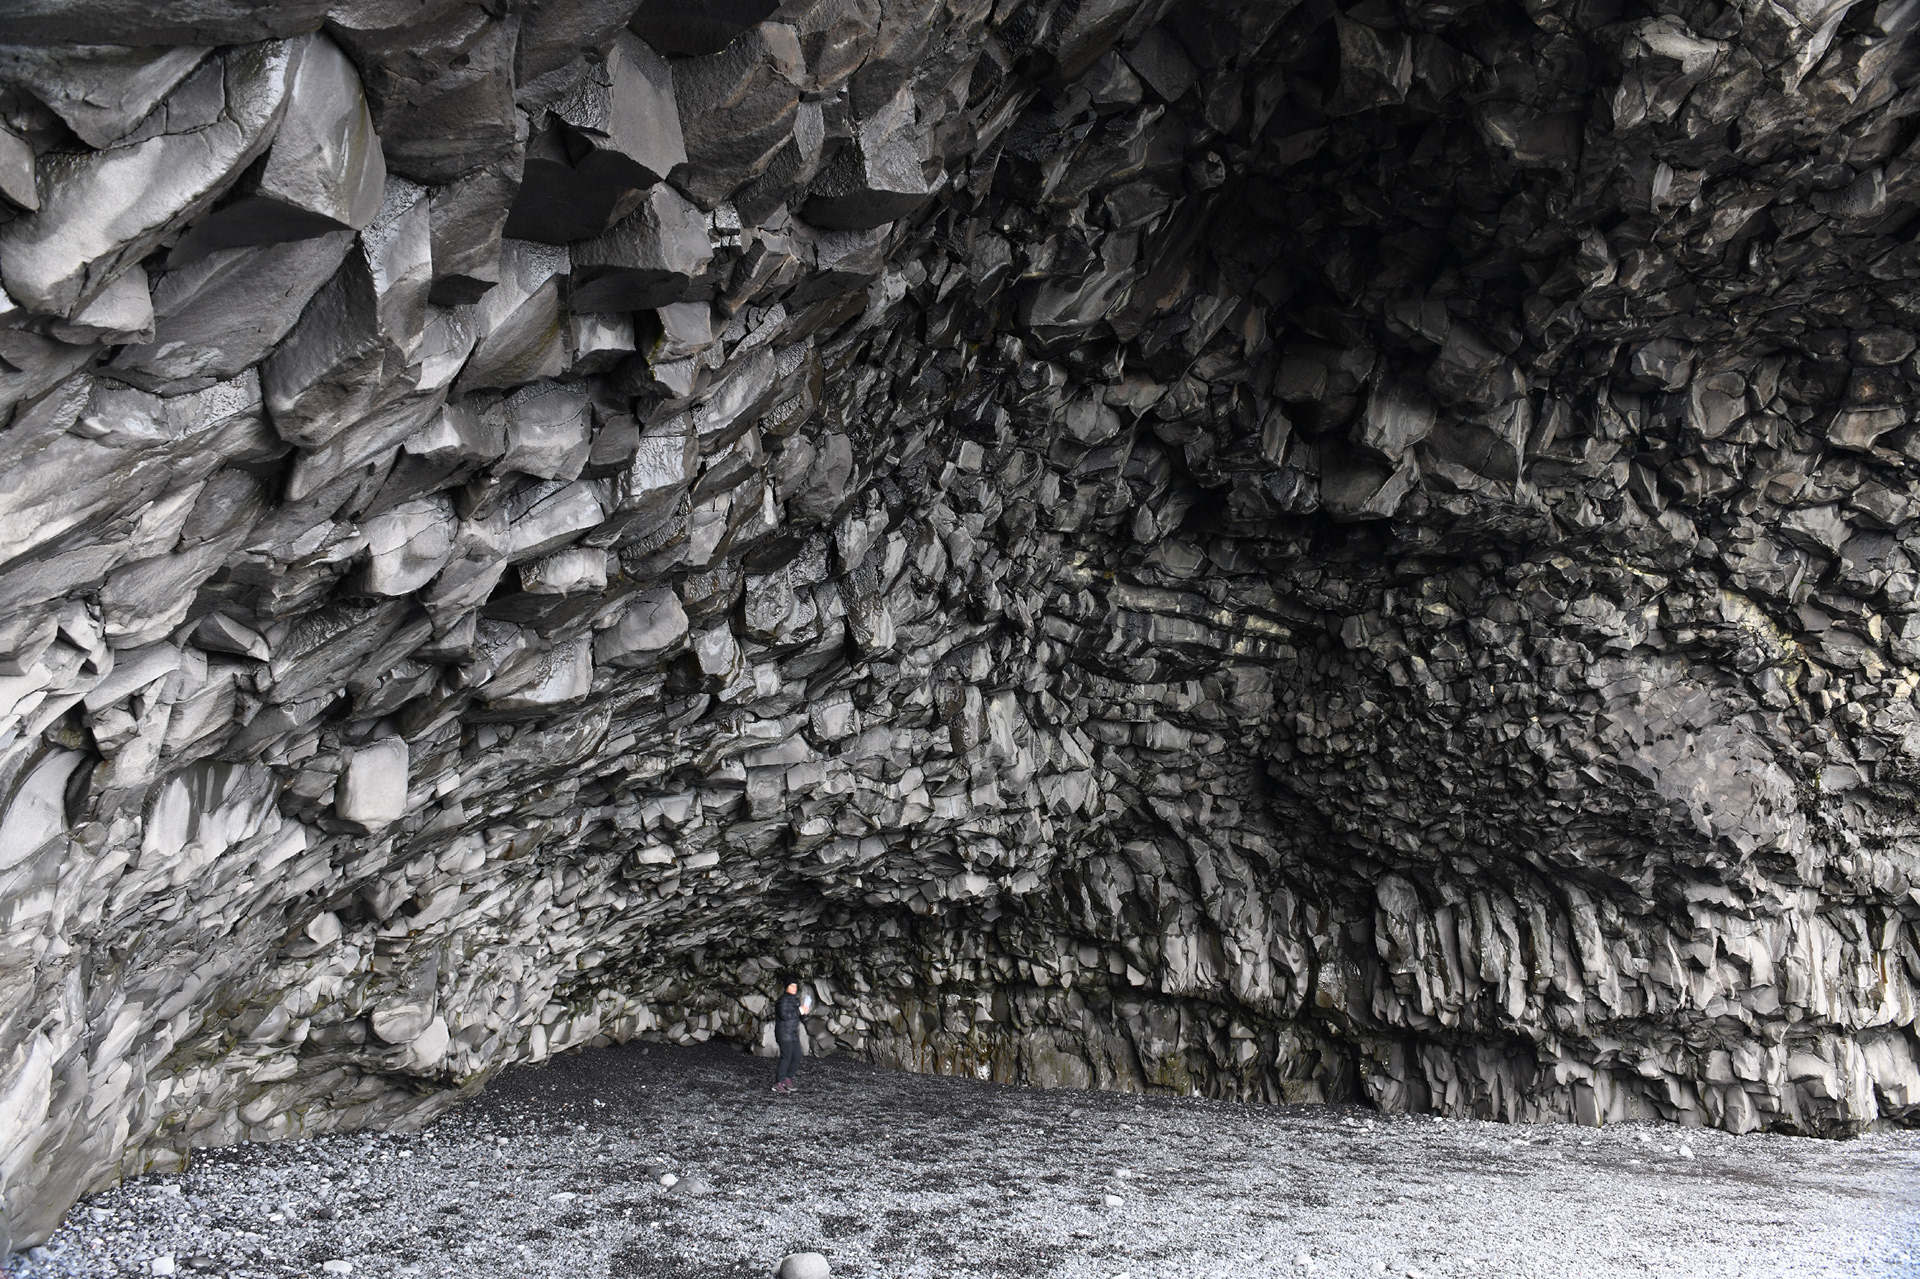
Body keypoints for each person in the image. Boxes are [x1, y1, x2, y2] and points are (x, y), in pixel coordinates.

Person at [772, 979, 811, 1093]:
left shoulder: (795, 1000)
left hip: (793, 1033)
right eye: (792, 985)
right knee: (786, 1058)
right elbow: (784, 1015)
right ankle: (778, 1083)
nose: (795, 987)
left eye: (796, 985)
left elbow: (798, 1017)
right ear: (786, 987)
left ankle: (787, 1079)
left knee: (797, 1056)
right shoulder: (782, 1001)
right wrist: (799, 1010)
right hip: (784, 1033)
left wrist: (805, 1012)